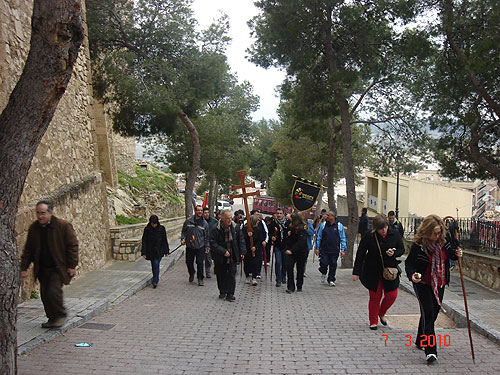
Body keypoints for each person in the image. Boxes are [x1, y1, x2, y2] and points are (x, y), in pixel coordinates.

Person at [405, 214, 462, 363]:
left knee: (432, 313)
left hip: (439, 284)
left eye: (439, 232)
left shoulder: (444, 241)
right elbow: (409, 264)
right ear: (427, 231)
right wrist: (412, 276)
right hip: (422, 284)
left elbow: (451, 254)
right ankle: (431, 351)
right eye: (434, 233)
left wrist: (457, 254)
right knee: (429, 314)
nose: (437, 236)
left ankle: (419, 339)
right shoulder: (419, 245)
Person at [20, 201, 79, 328]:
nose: (40, 216)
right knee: (45, 294)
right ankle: (52, 318)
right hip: (42, 268)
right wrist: (24, 267)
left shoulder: (63, 226)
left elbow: (72, 247)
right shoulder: (34, 228)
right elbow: (28, 250)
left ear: (50, 213)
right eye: (38, 213)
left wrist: (71, 266)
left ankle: (60, 315)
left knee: (53, 291)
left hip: (58, 267)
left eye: (43, 213)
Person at [352, 214, 404, 330]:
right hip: (372, 270)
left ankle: (381, 312)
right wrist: (356, 272)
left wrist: (394, 253)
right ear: (376, 228)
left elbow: (402, 249)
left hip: (389, 270)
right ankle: (373, 321)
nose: (384, 230)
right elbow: (361, 253)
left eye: (385, 227)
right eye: (381, 228)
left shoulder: (394, 234)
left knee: (392, 295)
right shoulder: (369, 236)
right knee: (375, 296)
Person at [210, 210, 246, 301]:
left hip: (232, 255)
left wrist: (242, 252)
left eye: (230, 218)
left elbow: (240, 240)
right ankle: (222, 291)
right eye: (227, 218)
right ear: (222, 218)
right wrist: (222, 251)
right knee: (221, 274)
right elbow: (212, 243)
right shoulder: (215, 229)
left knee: (231, 274)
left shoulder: (236, 227)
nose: (229, 220)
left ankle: (230, 294)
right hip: (220, 256)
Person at [314, 210, 346, 286]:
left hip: (334, 250)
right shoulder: (323, 225)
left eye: (328, 215)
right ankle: (323, 272)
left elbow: (343, 238)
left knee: (333, 264)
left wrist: (343, 250)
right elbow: (318, 237)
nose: (326, 216)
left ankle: (331, 279)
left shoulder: (339, 226)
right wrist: (316, 247)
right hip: (324, 249)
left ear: (333, 217)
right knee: (324, 263)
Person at [181, 205, 210, 286]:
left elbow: (207, 237)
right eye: (198, 210)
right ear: (195, 211)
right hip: (190, 246)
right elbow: (183, 232)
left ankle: (200, 278)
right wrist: (183, 239)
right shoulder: (188, 221)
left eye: (201, 211)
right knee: (188, 262)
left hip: (200, 246)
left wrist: (207, 246)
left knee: (200, 262)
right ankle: (192, 273)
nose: (200, 212)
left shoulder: (205, 224)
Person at [141, 215, 170, 288]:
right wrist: (144, 252)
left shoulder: (161, 229)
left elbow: (164, 240)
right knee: (154, 265)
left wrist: (166, 251)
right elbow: (144, 241)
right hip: (150, 250)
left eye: (155, 223)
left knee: (156, 263)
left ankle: (155, 280)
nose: (153, 225)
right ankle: (155, 278)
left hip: (159, 250)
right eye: (152, 224)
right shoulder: (147, 229)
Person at [284, 213, 309, 293]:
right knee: (289, 268)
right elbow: (289, 241)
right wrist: (288, 236)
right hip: (292, 251)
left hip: (301, 252)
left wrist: (292, 250)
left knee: (300, 269)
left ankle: (299, 285)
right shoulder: (291, 228)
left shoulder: (302, 228)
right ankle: (291, 287)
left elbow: (301, 242)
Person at [267, 208, 289, 287]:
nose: (279, 215)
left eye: (280, 213)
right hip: (277, 246)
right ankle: (278, 280)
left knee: (285, 263)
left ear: (283, 214)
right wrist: (272, 237)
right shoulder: (273, 223)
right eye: (277, 213)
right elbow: (269, 233)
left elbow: (291, 232)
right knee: (278, 262)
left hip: (286, 245)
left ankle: (284, 276)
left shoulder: (287, 223)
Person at [243, 214, 265, 285]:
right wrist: (247, 235)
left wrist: (255, 247)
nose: (258, 222)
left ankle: (254, 277)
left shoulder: (258, 230)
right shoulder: (246, 229)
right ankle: (247, 276)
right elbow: (242, 239)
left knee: (255, 263)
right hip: (247, 249)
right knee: (247, 263)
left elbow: (260, 239)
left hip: (256, 249)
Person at [203, 207, 218, 278]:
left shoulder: (214, 221)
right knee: (208, 259)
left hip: (213, 242)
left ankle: (216, 268)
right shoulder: (201, 221)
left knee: (215, 257)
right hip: (205, 242)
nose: (206, 214)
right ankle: (207, 272)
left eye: (207, 213)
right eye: (205, 213)